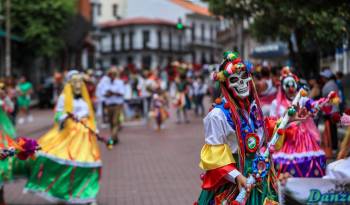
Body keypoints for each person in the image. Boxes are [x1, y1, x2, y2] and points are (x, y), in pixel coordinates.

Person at [196, 52, 280, 205]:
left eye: (244, 77)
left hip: (258, 179)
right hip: (234, 184)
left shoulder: (253, 107)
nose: (241, 83)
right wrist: (237, 176)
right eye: (234, 79)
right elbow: (215, 159)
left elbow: (262, 132)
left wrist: (288, 120)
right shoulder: (217, 115)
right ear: (225, 84)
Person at [24, 70, 101, 204]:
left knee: (89, 165)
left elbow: (90, 116)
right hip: (69, 137)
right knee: (68, 164)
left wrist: (95, 129)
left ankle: (87, 195)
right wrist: (67, 116)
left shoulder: (84, 98)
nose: (78, 85)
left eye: (80, 82)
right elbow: (58, 115)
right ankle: (62, 191)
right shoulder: (64, 97)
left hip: (86, 138)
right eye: (75, 82)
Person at [269, 67, 326, 177]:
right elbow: (272, 122)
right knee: (284, 165)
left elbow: (313, 104)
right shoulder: (276, 103)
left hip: (303, 137)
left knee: (310, 161)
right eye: (287, 85)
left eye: (293, 85)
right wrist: (284, 118)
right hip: (285, 138)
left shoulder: (302, 99)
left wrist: (325, 101)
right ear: (283, 87)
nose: (290, 88)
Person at [0, 81, 17, 205]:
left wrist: (5, 97)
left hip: (3, 135)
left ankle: (1, 197)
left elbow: (11, 108)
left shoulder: (2, 100)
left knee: (4, 160)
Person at [102, 67, 125, 144]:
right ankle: (115, 137)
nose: (112, 76)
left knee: (115, 122)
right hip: (109, 105)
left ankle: (112, 138)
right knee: (111, 122)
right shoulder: (105, 83)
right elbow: (103, 94)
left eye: (113, 74)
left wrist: (113, 93)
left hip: (117, 105)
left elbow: (122, 93)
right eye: (110, 74)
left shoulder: (119, 82)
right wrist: (108, 94)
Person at [320, 69, 339, 157]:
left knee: (330, 130)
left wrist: (331, 111)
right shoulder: (333, 84)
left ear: (326, 77)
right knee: (332, 129)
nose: (322, 78)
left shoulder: (328, 85)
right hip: (333, 111)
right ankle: (333, 147)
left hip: (330, 112)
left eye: (323, 76)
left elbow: (331, 100)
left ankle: (332, 148)